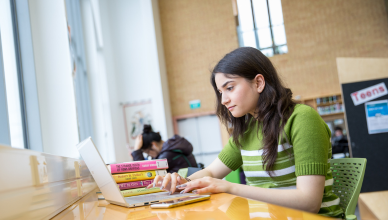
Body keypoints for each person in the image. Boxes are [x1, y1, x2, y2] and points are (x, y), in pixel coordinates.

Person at [147, 47, 343, 218]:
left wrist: (230, 187)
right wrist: (183, 182)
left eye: (229, 88)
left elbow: (309, 202)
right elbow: (211, 172)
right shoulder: (247, 129)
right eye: (220, 92)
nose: (223, 100)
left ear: (258, 83)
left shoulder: (302, 119)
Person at [131, 125, 197, 173]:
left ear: (153, 145)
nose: (150, 156)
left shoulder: (166, 156)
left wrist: (136, 151)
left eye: (148, 153)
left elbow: (147, 174)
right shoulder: (172, 146)